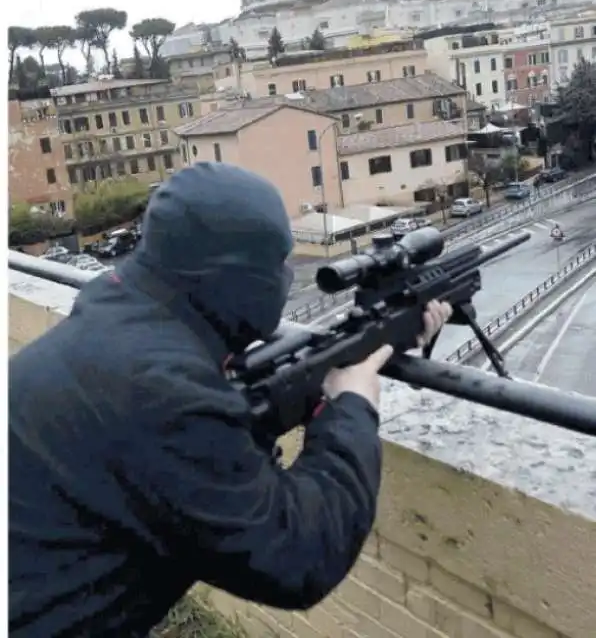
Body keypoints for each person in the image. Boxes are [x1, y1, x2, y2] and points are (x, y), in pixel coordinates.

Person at [9, 163, 452, 637]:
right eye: (277, 264)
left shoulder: (115, 313)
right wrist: (351, 408)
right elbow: (299, 557)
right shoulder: (166, 396)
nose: (285, 275)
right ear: (236, 277)